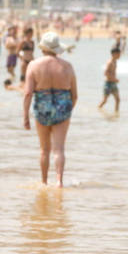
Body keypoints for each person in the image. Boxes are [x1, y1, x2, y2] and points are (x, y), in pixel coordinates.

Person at [22, 31, 76, 186]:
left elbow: (27, 93)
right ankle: (59, 182)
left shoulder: (33, 65)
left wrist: (25, 116)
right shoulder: (67, 66)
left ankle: (44, 182)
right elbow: (75, 94)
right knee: (59, 149)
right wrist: (67, 111)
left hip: (42, 107)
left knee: (44, 149)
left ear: (43, 48)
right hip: (63, 106)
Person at [99, 44, 121, 112]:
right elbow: (106, 73)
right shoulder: (110, 62)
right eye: (119, 54)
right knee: (105, 101)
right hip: (108, 84)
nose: (120, 55)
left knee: (117, 100)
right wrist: (114, 79)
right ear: (114, 54)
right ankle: (98, 109)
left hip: (113, 83)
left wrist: (114, 80)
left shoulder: (115, 61)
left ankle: (116, 113)